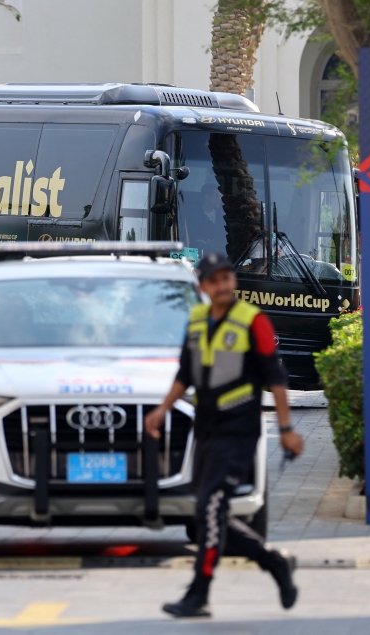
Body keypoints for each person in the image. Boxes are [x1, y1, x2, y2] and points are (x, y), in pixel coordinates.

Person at [145, 251, 304, 619]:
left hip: (239, 432)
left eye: (227, 278)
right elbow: (185, 374)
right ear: (202, 286)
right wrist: (161, 410)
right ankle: (275, 562)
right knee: (208, 515)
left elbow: (277, 379)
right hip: (204, 432)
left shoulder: (253, 321)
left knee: (210, 508)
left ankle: (198, 593)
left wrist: (286, 429)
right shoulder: (197, 320)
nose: (222, 285)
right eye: (214, 280)